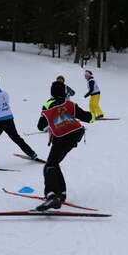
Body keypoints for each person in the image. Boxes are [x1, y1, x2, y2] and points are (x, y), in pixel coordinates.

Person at [35, 81, 94, 211]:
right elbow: (87, 117)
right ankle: (61, 193)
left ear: (51, 92)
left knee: (49, 166)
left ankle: (51, 195)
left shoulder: (48, 104)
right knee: (54, 163)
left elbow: (40, 126)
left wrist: (51, 120)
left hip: (61, 137)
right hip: (76, 134)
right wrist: (92, 115)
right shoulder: (70, 104)